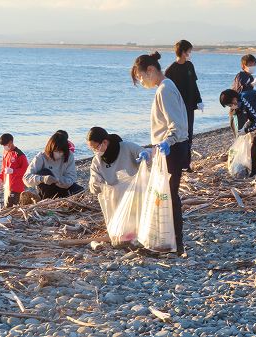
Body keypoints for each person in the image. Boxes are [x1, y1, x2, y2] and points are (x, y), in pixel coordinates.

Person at [131, 51, 189, 256]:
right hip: (168, 148)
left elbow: (176, 124)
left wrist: (166, 143)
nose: (141, 82)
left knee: (169, 196)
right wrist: (152, 150)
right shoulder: (165, 87)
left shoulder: (165, 89)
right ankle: (166, 242)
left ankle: (174, 245)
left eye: (140, 77)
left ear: (150, 70)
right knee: (164, 195)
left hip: (172, 149)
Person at [165, 40, 203, 172]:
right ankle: (177, 163)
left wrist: (199, 100)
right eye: (189, 51)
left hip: (190, 106)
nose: (190, 54)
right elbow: (167, 91)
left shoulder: (189, 66)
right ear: (183, 51)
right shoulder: (171, 70)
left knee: (188, 134)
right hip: (177, 109)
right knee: (179, 134)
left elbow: (194, 84)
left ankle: (186, 164)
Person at [87, 127, 149, 194]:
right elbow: (94, 189)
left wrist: (145, 155)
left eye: (96, 148)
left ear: (105, 142)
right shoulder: (96, 161)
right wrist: (95, 184)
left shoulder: (127, 147)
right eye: (92, 149)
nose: (95, 152)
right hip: (116, 196)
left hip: (137, 190)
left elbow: (143, 152)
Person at [23, 132, 84, 199]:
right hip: (47, 190)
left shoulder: (68, 155)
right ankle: (44, 200)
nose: (59, 153)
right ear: (51, 148)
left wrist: (59, 180)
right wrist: (42, 179)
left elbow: (72, 177)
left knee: (80, 191)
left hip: (63, 187)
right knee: (44, 172)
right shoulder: (41, 157)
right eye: (56, 151)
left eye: (61, 152)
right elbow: (26, 178)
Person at [230, 54, 256, 136]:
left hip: (245, 109)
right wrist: (253, 84)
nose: (252, 66)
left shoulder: (250, 77)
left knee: (247, 133)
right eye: (250, 65)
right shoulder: (241, 75)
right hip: (237, 110)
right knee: (239, 133)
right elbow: (239, 90)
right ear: (243, 66)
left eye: (254, 64)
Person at [0, 133, 29, 208]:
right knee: (7, 204)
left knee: (10, 207)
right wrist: (0, 178)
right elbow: (3, 168)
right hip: (7, 185)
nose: (4, 147)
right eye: (3, 146)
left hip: (17, 187)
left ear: (10, 143)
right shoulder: (5, 152)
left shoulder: (20, 155)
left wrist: (13, 171)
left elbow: (26, 171)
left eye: (5, 145)